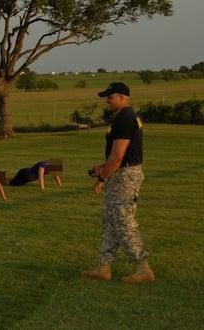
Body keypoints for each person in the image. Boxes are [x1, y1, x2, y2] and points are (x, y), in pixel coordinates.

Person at [82, 82, 154, 284]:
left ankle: (143, 268)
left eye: (110, 97)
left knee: (124, 220)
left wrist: (103, 175)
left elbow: (119, 154)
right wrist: (103, 170)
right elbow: (116, 157)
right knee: (111, 220)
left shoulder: (125, 117)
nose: (107, 100)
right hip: (120, 173)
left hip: (125, 176)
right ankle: (103, 267)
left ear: (122, 97)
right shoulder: (127, 116)